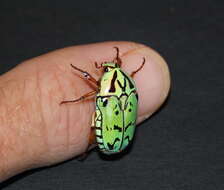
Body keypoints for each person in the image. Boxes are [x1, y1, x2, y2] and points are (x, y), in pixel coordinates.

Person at [0, 41, 170, 182]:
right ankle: (88, 147)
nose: (106, 68)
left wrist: (78, 90)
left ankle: (88, 147)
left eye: (107, 69)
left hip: (112, 139)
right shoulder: (129, 86)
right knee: (94, 125)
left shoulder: (106, 89)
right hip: (121, 139)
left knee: (93, 127)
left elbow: (89, 82)